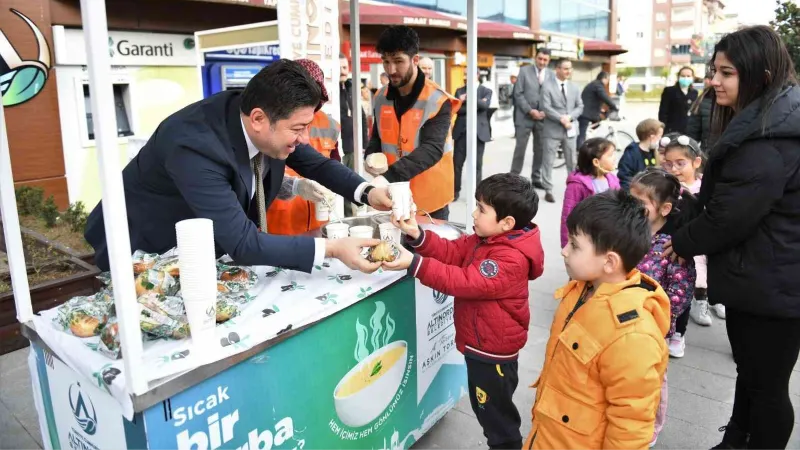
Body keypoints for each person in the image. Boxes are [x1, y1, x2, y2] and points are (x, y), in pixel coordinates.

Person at [84, 59, 393, 273]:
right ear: (258, 119)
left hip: (205, 248)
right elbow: (243, 242)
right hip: (145, 250)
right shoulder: (193, 146)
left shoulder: (261, 118)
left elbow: (315, 163)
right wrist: (334, 248)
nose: (304, 138)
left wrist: (366, 192)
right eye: (298, 129)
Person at [667, 26, 800, 450]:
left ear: (759, 75)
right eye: (713, 71)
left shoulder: (769, 139)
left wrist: (681, 241)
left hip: (773, 284)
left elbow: (728, 217)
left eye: (727, 73)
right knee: (754, 373)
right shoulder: (771, 119)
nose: (714, 81)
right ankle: (736, 440)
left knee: (767, 388)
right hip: (768, 275)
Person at [384, 173, 544, 450]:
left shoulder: (509, 258)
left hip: (493, 353)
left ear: (507, 222)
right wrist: (417, 235)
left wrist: (415, 264)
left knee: (496, 417)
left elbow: (463, 282)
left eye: (482, 209)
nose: (473, 213)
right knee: (487, 409)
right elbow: (452, 251)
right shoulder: (488, 238)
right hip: (481, 345)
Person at [523, 189, 670, 449]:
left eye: (575, 245)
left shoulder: (632, 335)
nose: (564, 251)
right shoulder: (581, 290)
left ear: (610, 262)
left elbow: (630, 425)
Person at [629, 168, 698, 446]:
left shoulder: (673, 248)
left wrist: (660, 322)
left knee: (652, 380)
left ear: (665, 208)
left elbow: (680, 293)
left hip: (652, 330)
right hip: (619, 323)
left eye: (640, 203)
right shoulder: (627, 234)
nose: (631, 206)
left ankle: (650, 427)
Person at [365, 26, 460, 220]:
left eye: (398, 61)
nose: (391, 70)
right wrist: (370, 156)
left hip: (431, 201)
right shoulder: (381, 97)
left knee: (429, 251)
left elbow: (432, 149)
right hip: (393, 197)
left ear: (415, 60)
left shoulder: (437, 99)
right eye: (386, 62)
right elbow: (377, 136)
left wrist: (387, 177)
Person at [265, 60, 339, 235]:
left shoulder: (331, 124)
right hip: (277, 223)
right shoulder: (272, 122)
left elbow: (334, 166)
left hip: (317, 222)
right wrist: (295, 187)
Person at [659, 135, 721, 327]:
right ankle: (677, 317)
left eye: (680, 163)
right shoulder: (666, 187)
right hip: (674, 241)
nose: (674, 169)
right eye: (668, 164)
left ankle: (711, 299)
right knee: (679, 278)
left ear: (696, 162)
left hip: (700, 238)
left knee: (706, 273)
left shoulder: (705, 187)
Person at [560, 138, 620, 248]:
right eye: (610, 155)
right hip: (586, 238)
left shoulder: (613, 180)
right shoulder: (577, 185)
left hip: (609, 238)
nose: (614, 158)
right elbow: (567, 215)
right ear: (596, 162)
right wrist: (567, 244)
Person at [540, 58, 584, 203]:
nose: (568, 71)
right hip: (552, 129)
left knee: (572, 160)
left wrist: (570, 117)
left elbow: (580, 106)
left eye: (570, 68)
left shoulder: (574, 87)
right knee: (548, 160)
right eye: (565, 69)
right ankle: (548, 189)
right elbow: (545, 107)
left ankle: (573, 188)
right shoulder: (547, 86)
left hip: (570, 129)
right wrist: (561, 119)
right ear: (557, 69)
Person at [511, 48, 551, 184]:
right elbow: (518, 93)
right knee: (520, 149)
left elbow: (553, 96)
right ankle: (513, 178)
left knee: (540, 150)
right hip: (524, 117)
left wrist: (546, 111)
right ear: (535, 57)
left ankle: (536, 177)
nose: (542, 62)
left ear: (548, 60)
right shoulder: (524, 71)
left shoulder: (551, 75)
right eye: (540, 58)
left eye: (545, 59)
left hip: (543, 119)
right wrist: (530, 110)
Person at [453, 72, 493, 200]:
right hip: (461, 133)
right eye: (464, 74)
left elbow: (484, 106)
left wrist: (468, 99)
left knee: (477, 165)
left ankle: (477, 195)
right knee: (457, 164)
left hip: (479, 134)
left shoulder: (486, 90)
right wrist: (474, 103)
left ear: (476, 75)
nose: (466, 76)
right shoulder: (459, 91)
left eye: (468, 74)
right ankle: (455, 191)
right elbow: (457, 109)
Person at [339, 54, 369, 216]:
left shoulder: (352, 88)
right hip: (338, 146)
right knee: (339, 183)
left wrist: (364, 144)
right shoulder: (330, 90)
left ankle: (351, 216)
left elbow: (362, 117)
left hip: (353, 147)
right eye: (338, 68)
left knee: (352, 183)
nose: (342, 71)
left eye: (344, 67)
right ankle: (345, 216)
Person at [617, 119, 664, 191]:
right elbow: (624, 177)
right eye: (660, 136)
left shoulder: (655, 152)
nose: (660, 139)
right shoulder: (632, 153)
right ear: (652, 137)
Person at [578, 72, 619, 148]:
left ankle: (589, 144)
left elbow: (594, 100)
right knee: (582, 135)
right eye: (608, 80)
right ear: (604, 78)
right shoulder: (598, 85)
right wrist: (614, 106)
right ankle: (578, 153)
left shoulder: (594, 84)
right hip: (586, 113)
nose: (608, 82)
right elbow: (604, 97)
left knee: (589, 130)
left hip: (588, 112)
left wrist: (602, 110)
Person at [658, 66, 698, 134]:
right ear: (678, 77)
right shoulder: (669, 91)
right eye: (683, 76)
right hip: (672, 130)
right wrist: (665, 129)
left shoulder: (694, 93)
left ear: (692, 78)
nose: (685, 78)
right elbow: (663, 113)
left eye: (688, 76)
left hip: (688, 130)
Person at [686, 72, 714, 151]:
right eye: (706, 78)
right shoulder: (702, 101)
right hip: (708, 154)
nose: (707, 81)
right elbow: (693, 134)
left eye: (710, 78)